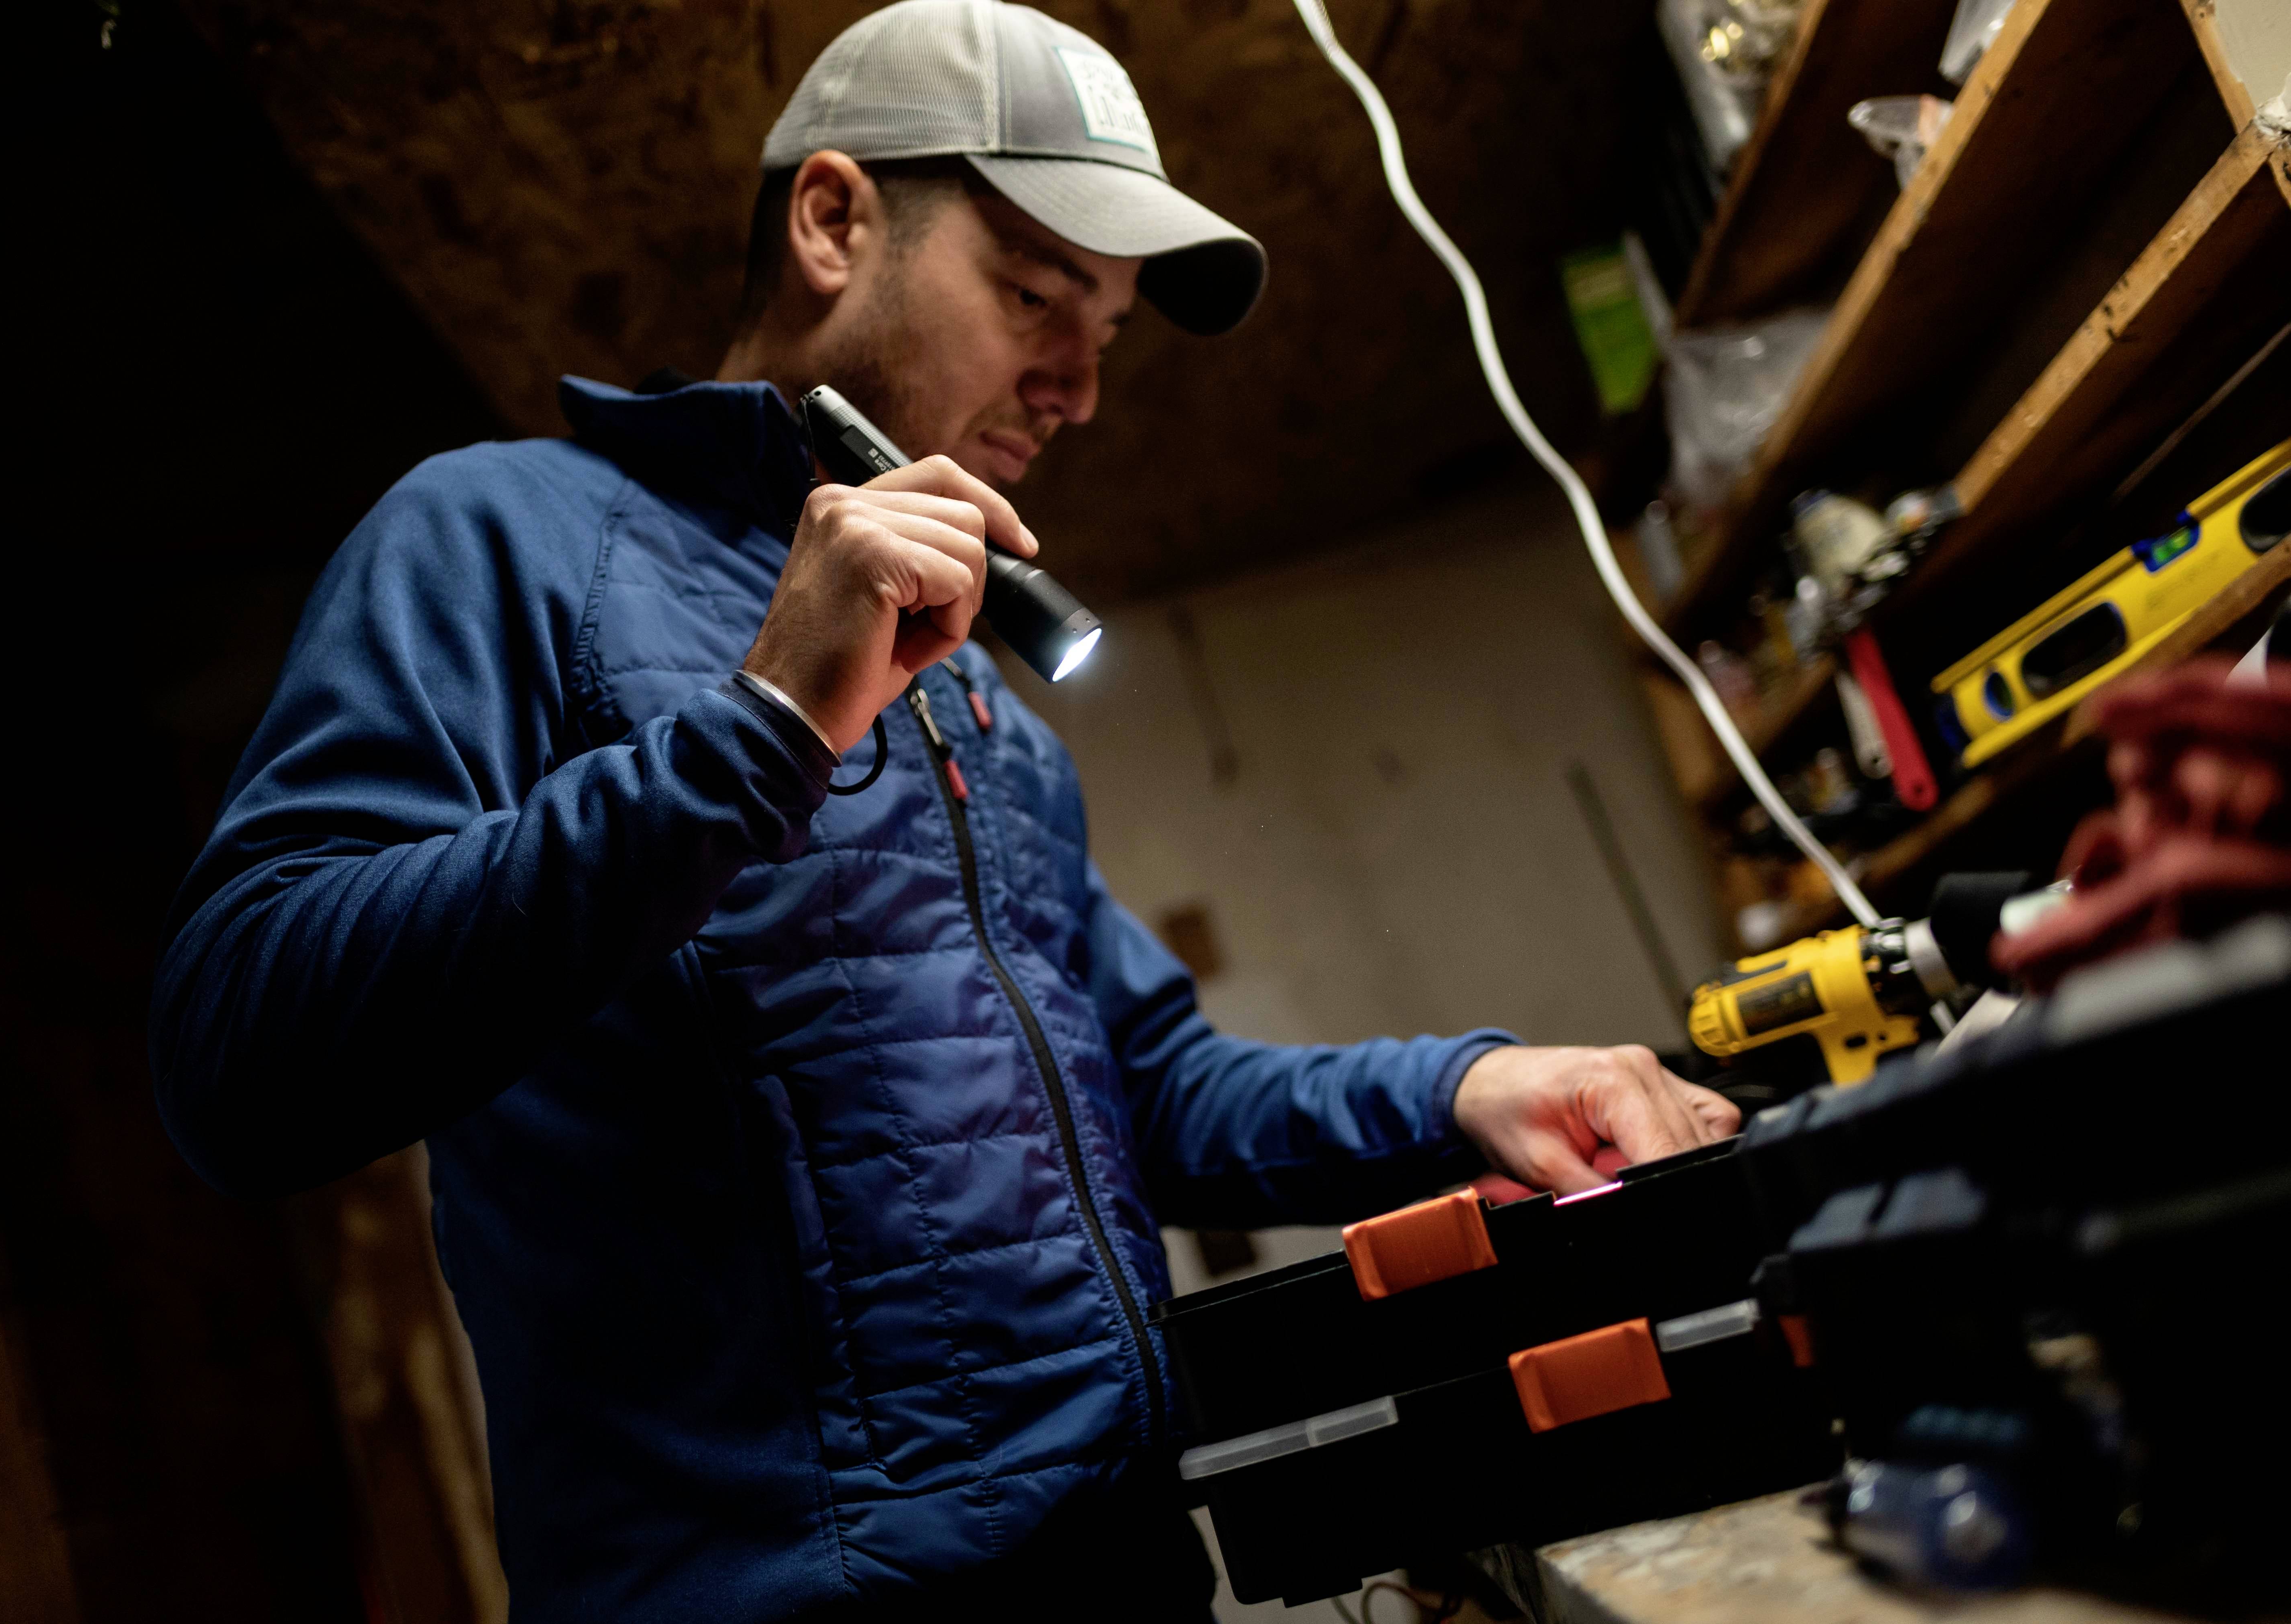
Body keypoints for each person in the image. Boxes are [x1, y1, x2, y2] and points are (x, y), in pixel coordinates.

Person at [150, 3, 1738, 1618]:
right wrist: (763, 726)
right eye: (1037, 294)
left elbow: (1156, 1090)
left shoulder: (982, 700)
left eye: (1107, 329)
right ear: (833, 222)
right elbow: (237, 1057)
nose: (1077, 387)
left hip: (1127, 1570)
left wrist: (1470, 1086)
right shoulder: (506, 538)